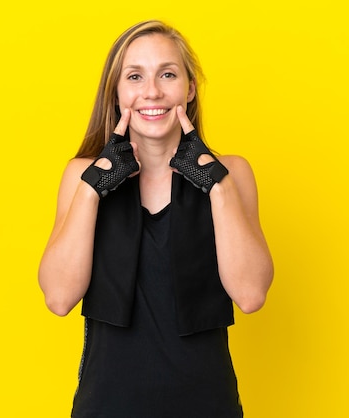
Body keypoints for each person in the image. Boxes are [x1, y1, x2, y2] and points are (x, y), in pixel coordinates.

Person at [38, 19, 273, 418]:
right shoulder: (82, 176)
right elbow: (59, 298)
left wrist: (216, 185)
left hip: (207, 406)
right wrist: (94, 188)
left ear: (190, 87)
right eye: (135, 76)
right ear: (116, 93)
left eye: (167, 74)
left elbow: (251, 295)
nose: (152, 91)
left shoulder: (232, 173)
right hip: (106, 407)